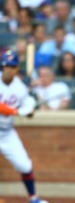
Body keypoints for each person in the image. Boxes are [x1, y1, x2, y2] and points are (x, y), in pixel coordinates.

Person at [0, 50, 48, 203]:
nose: (8, 69)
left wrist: (28, 110)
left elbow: (28, 104)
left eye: (12, 66)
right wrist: (16, 111)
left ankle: (33, 197)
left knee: (25, 165)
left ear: (16, 69)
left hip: (6, 132)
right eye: (6, 65)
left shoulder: (20, 88)